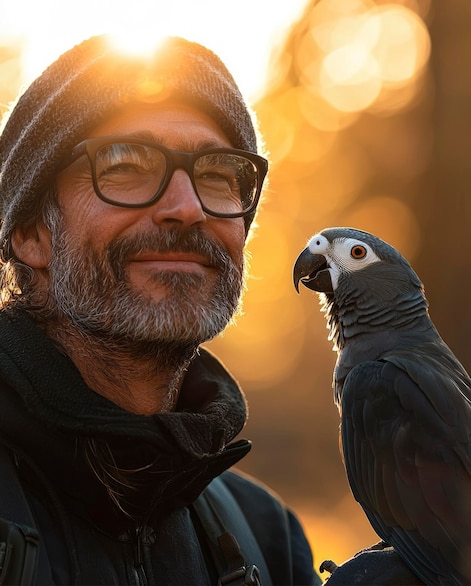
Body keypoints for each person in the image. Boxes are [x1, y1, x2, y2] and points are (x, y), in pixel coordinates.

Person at [0, 34, 322, 585]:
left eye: (219, 174)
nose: (187, 208)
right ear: (31, 234)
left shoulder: (269, 542)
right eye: (126, 165)